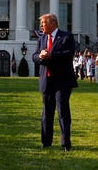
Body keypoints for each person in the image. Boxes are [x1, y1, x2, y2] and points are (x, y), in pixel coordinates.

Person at [32, 13, 77, 151]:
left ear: (52, 23)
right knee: (47, 113)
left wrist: (51, 55)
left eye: (43, 23)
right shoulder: (42, 39)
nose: (41, 26)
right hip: (47, 80)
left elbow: (68, 54)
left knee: (63, 112)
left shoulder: (66, 37)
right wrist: (40, 56)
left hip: (62, 81)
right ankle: (46, 142)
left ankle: (65, 143)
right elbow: (34, 56)